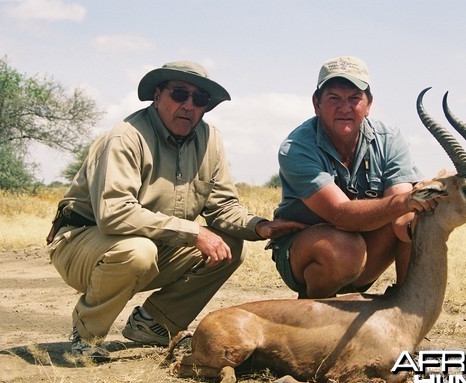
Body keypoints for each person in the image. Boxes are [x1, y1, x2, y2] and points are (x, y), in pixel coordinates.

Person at [46, 60, 304, 361]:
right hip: (83, 243)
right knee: (137, 252)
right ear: (157, 96)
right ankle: (86, 337)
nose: (189, 105)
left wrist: (259, 226)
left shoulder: (210, 140)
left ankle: (154, 324)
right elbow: (114, 213)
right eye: (179, 94)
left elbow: (222, 206)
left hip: (153, 245)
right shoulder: (125, 137)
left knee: (229, 247)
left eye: (199, 99)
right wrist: (194, 231)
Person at [270, 56, 440, 299]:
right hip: (309, 254)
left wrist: (424, 205)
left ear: (369, 104)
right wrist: (407, 201)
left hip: (365, 254)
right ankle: (312, 309)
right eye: (334, 98)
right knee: (345, 248)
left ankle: (407, 306)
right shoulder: (296, 147)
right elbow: (340, 214)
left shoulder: (390, 139)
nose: (345, 108)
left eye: (354, 98)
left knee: (418, 219)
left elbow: (403, 220)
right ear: (316, 104)